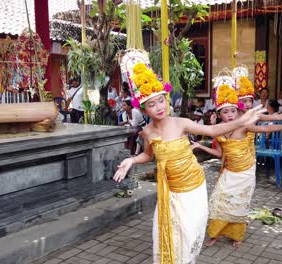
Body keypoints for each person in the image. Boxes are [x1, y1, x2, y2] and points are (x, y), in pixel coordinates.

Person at [112, 62, 266, 264]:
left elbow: (211, 131)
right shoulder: (147, 132)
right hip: (171, 190)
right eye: (151, 104)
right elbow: (149, 156)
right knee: (171, 233)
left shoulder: (181, 123)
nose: (159, 107)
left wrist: (241, 122)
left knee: (191, 232)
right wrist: (131, 160)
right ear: (144, 109)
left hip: (193, 187)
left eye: (161, 101)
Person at [191, 84, 282, 248]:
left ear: (238, 110)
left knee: (239, 204)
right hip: (229, 170)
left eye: (233, 110)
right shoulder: (218, 129)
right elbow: (220, 154)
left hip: (246, 170)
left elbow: (270, 125)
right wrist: (200, 146)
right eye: (225, 111)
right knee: (219, 201)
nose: (230, 115)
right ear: (218, 114)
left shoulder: (245, 125)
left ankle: (237, 235)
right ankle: (216, 233)